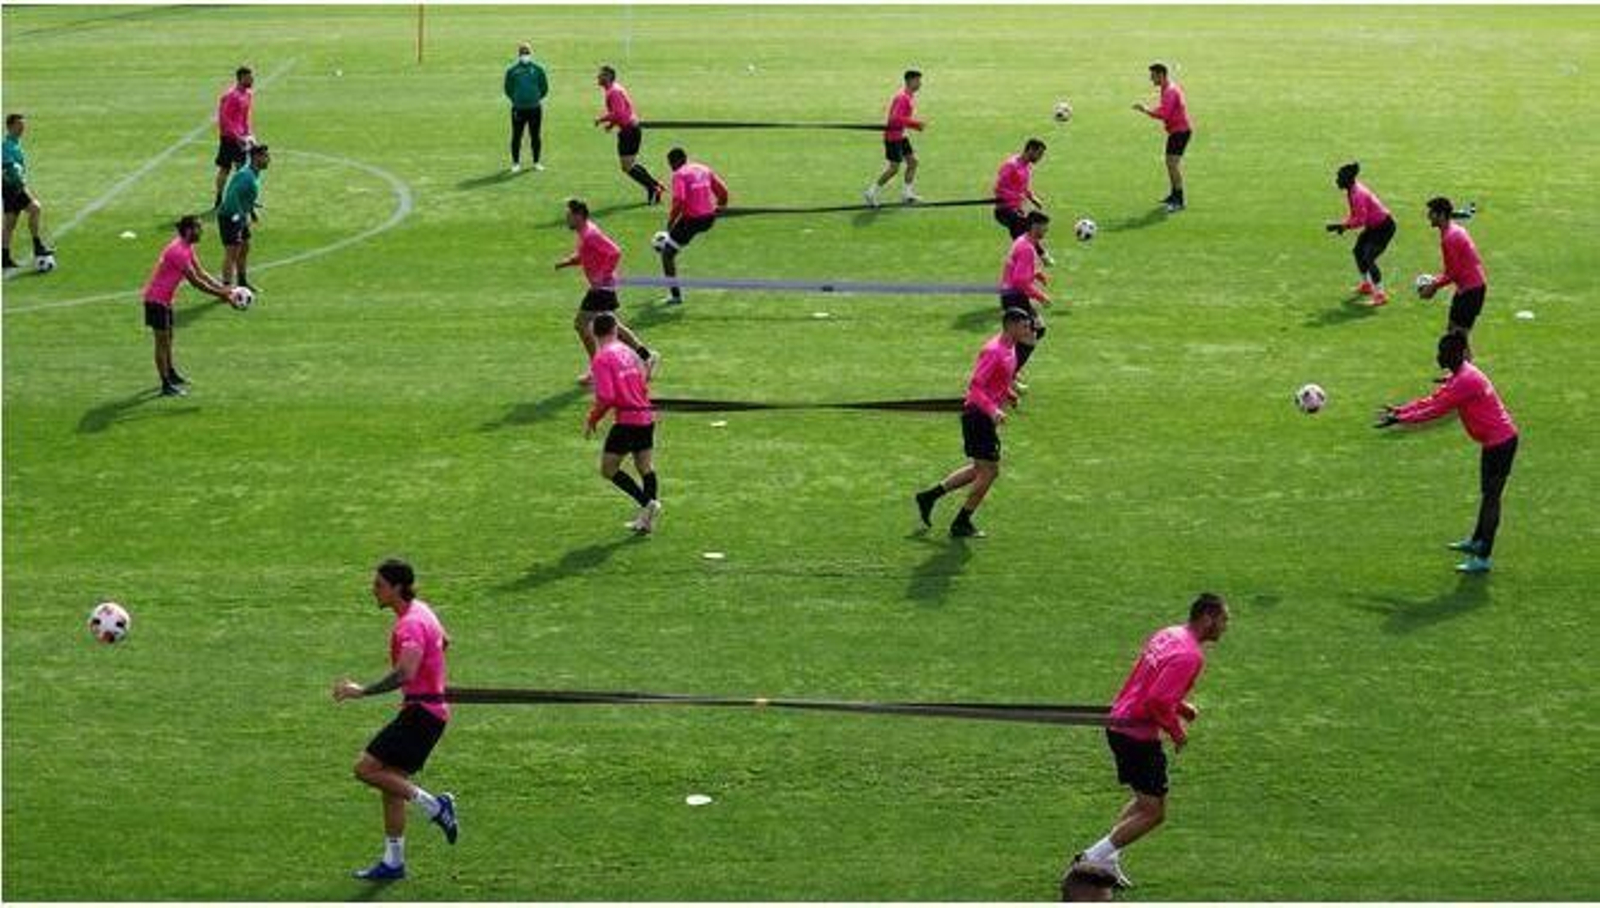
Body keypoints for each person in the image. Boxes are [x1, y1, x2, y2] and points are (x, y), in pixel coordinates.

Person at [1070, 593, 1230, 890]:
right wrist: (1177, 732)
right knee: (1154, 812)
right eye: (1223, 619)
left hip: (1120, 723)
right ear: (1207, 618)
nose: (1226, 626)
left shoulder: (1170, 634)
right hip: (1136, 734)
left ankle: (1109, 857)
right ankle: (1091, 859)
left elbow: (1151, 681)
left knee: (1145, 802)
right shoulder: (1191, 655)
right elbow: (1157, 700)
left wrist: (1181, 707)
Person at [333, 558, 460, 881]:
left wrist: (360, 691)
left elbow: (405, 672)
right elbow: (444, 641)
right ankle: (393, 862)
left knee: (365, 768)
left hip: (422, 715)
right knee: (391, 783)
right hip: (427, 711)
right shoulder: (422, 610)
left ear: (396, 588)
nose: (373, 590)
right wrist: (433, 675)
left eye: (379, 585)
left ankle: (435, 806)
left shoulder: (409, 625)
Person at [1376, 333, 1518, 574]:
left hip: (1501, 444)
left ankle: (1483, 557)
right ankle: (1475, 541)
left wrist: (1400, 419)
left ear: (1457, 353)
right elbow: (1431, 400)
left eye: (1443, 352)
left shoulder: (1465, 381)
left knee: (1492, 498)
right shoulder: (1461, 375)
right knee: (1487, 494)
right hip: (1494, 442)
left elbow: (1435, 410)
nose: (1438, 356)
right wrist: (1401, 411)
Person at [913, 307, 1037, 538]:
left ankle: (928, 497)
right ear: (1011, 325)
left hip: (982, 417)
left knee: (979, 469)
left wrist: (1008, 393)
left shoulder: (1009, 348)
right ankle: (961, 523)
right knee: (990, 472)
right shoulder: (994, 351)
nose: (1029, 329)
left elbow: (998, 379)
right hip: (978, 416)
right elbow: (976, 387)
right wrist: (993, 411)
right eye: (1025, 325)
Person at [555, 198, 656, 383]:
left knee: (581, 324)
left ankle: (596, 369)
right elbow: (587, 254)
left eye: (569, 215)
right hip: (604, 287)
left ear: (578, 216)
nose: (566, 219)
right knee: (613, 326)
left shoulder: (590, 233)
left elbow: (615, 251)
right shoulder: (585, 232)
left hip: (602, 288)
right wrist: (568, 262)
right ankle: (646, 356)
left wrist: (602, 275)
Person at [584, 313, 662, 534]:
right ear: (615, 330)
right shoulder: (627, 351)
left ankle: (648, 504)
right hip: (646, 417)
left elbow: (607, 397)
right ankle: (647, 521)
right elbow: (644, 378)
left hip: (627, 422)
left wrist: (593, 418)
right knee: (645, 467)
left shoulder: (601, 359)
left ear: (594, 333)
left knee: (608, 469)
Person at [140, 216, 235, 397]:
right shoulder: (178, 252)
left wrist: (223, 288)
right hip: (155, 301)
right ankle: (165, 384)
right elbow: (196, 282)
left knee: (169, 338)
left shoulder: (186, 247)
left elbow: (202, 273)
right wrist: (222, 294)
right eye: (199, 228)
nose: (202, 232)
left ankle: (171, 373)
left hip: (165, 300)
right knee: (161, 342)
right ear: (189, 230)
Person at [658, 147, 729, 306]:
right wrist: (720, 209)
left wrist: (670, 223)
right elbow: (723, 192)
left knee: (667, 255)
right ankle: (674, 243)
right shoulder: (703, 168)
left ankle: (675, 296)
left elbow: (679, 202)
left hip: (692, 221)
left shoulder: (679, 175)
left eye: (670, 164)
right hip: (709, 219)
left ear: (673, 162)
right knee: (674, 244)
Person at [1325, 162, 1396, 306]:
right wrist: (1343, 226)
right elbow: (1355, 216)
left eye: (1340, 177)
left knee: (1369, 257)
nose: (1337, 180)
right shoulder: (1352, 190)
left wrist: (1341, 225)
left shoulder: (1357, 194)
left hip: (1384, 227)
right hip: (1374, 226)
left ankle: (1380, 295)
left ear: (1348, 179)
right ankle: (1366, 285)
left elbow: (1360, 221)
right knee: (1358, 251)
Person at [594, 65, 665, 203]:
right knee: (630, 164)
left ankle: (653, 187)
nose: (598, 77)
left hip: (629, 130)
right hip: (631, 128)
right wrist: (612, 125)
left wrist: (601, 119)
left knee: (627, 166)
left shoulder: (613, 92)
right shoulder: (614, 89)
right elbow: (622, 112)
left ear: (608, 77)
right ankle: (655, 185)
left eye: (601, 75)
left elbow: (618, 113)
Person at [1417, 196, 1487, 336]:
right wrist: (1435, 282)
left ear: (1441, 215)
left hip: (1471, 291)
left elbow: (1453, 274)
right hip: (1468, 287)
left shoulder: (1450, 238)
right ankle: (1464, 358)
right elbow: (1452, 271)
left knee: (1457, 336)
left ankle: (1466, 358)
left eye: (1432, 212)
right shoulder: (1453, 229)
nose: (1428, 216)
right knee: (1453, 332)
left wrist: (1432, 287)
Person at [1000, 212, 1054, 385]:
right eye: (1044, 226)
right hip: (1014, 296)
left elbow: (1017, 269)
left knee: (1037, 330)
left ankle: (1010, 370)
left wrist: (1037, 274)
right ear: (1035, 226)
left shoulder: (1024, 240)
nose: (1046, 230)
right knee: (1029, 337)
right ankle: (1007, 377)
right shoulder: (1027, 248)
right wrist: (1042, 297)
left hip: (1014, 295)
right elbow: (1020, 281)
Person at [1132, 62, 1191, 212]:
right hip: (1176, 131)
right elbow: (1165, 109)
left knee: (1173, 165)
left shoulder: (1170, 91)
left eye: (1153, 76)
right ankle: (1174, 195)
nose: (1151, 79)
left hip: (1180, 131)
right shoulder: (1166, 88)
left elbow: (1164, 114)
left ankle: (1179, 201)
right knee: (1170, 164)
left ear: (1161, 75)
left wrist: (1145, 110)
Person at [864, 69, 925, 207]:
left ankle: (907, 194)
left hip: (901, 135)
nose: (920, 84)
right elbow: (895, 118)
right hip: (893, 137)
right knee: (894, 168)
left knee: (913, 162)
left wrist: (914, 126)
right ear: (910, 81)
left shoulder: (908, 96)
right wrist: (915, 124)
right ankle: (871, 192)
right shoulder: (902, 97)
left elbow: (901, 120)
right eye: (918, 80)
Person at [3, 113, 54, 270]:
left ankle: (4, 257)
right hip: (12, 188)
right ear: (10, 126)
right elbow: (8, 168)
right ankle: (37, 245)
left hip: (10, 188)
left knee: (10, 223)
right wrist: (21, 185)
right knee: (35, 208)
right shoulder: (6, 146)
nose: (23, 128)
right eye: (19, 125)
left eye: (23, 125)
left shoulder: (15, 143)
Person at [217, 143, 269, 290]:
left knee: (245, 247)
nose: (268, 159)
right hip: (230, 217)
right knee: (231, 252)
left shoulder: (254, 173)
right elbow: (232, 196)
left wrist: (251, 211)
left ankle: (242, 282)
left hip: (241, 216)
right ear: (255, 157)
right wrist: (239, 216)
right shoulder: (245, 176)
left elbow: (244, 195)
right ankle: (226, 288)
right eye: (265, 156)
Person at [993, 138, 1050, 261]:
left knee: (1031, 226)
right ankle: (1041, 255)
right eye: (1039, 154)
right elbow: (998, 187)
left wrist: (1032, 198)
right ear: (1030, 150)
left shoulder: (1027, 167)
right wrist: (1011, 197)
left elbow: (1023, 186)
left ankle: (1026, 256)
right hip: (1004, 210)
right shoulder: (1011, 165)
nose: (1040, 158)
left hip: (1017, 209)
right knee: (1023, 227)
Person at [214, 66, 255, 209]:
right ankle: (219, 198)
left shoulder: (248, 94)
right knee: (225, 168)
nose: (252, 79)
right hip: (229, 138)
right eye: (249, 77)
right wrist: (237, 136)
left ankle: (240, 199)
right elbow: (225, 118)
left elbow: (245, 116)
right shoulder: (231, 96)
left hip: (242, 138)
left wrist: (249, 133)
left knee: (241, 169)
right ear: (241, 78)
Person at [505, 42, 549, 173]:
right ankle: (515, 163)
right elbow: (508, 88)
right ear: (519, 55)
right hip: (518, 109)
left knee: (535, 135)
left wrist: (535, 98)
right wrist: (516, 99)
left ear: (531, 54)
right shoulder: (512, 71)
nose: (525, 55)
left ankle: (536, 162)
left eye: (527, 53)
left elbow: (544, 88)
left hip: (535, 108)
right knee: (516, 136)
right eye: (523, 53)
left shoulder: (538, 69)